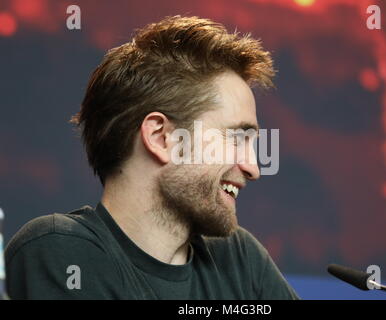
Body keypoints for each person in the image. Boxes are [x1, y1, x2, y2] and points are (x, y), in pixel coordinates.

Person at [5, 16, 299, 300]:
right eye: (236, 138)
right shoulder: (61, 250)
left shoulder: (239, 260)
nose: (254, 168)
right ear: (161, 137)